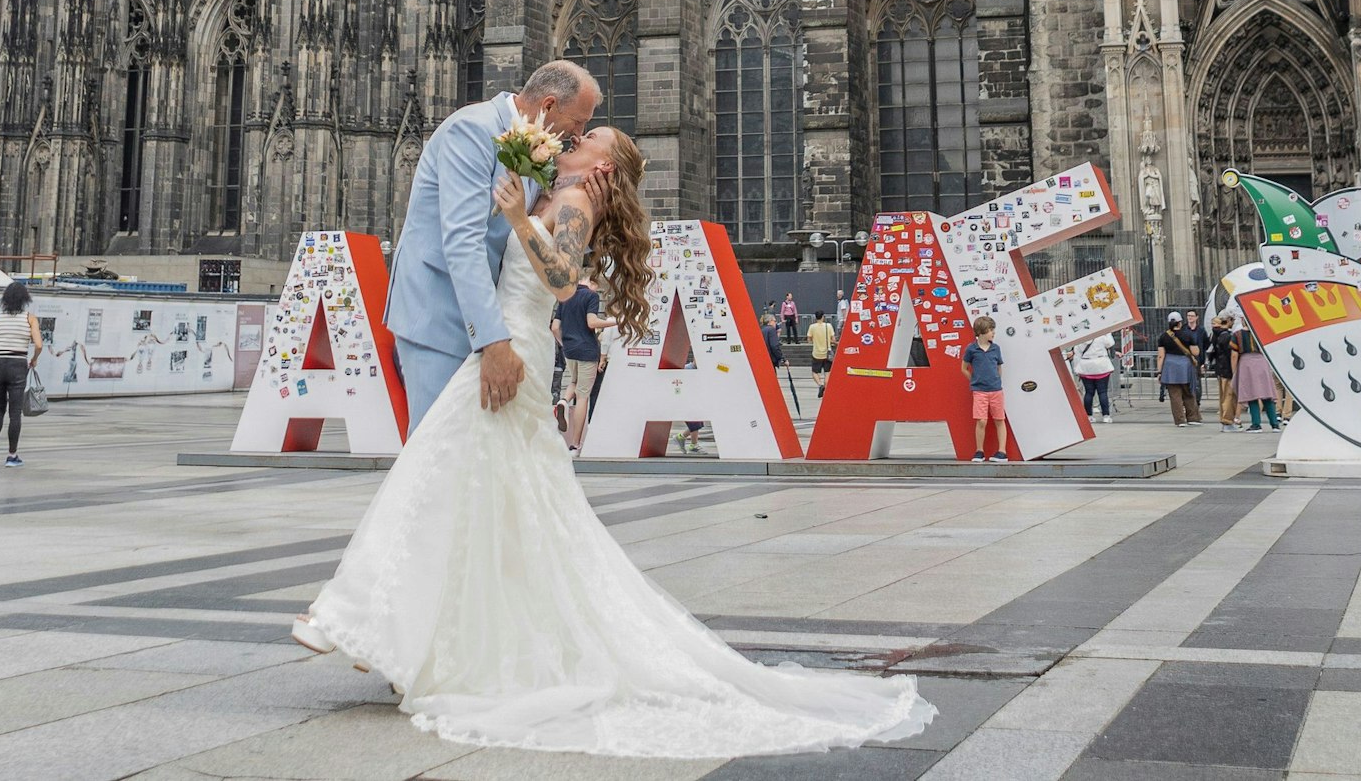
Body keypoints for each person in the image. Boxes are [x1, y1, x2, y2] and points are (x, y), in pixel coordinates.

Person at [291, 126, 931, 757]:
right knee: (487, 494)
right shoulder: (561, 191)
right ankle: (398, 633)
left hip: (509, 347)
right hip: (514, 343)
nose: (577, 137)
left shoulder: (576, 202)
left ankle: (364, 622)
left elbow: (565, 277)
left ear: (607, 164)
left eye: (591, 135)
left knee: (439, 475)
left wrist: (517, 216)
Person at [384, 61, 599, 434]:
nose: (577, 135)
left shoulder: (536, 150)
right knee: (436, 447)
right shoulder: (472, 130)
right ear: (548, 106)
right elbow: (463, 243)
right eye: (578, 123)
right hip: (439, 315)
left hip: (489, 320)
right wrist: (493, 341)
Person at [0, 281, 43, 466]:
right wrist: (34, 359)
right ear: (25, 299)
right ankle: (12, 455)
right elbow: (39, 344)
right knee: (15, 413)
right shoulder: (29, 318)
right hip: (17, 365)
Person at [551, 276, 606, 451]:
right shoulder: (591, 296)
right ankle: (575, 444)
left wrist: (563, 344)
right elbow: (592, 322)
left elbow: (554, 327)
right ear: (592, 282)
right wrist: (616, 321)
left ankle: (563, 402)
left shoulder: (565, 296)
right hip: (587, 350)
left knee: (574, 382)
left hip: (570, 350)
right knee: (583, 396)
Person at [961, 315, 1008, 462]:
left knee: (999, 419)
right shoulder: (971, 349)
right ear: (981, 332)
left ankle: (1002, 451)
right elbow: (964, 368)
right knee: (981, 421)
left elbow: (999, 367)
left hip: (995, 390)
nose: (993, 333)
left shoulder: (996, 348)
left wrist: (996, 381)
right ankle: (979, 451)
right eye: (990, 330)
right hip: (979, 391)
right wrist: (974, 381)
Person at [1232, 322, 1281, 431]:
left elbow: (1234, 354)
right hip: (1262, 362)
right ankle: (1274, 424)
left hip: (1246, 363)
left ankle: (1256, 424)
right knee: (1267, 395)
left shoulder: (1237, 335)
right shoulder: (1261, 332)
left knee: (1251, 395)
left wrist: (1234, 370)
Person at [1158, 311, 1202, 426]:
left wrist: (1159, 372)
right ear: (1180, 323)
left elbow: (1161, 356)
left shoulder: (1163, 336)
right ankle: (1193, 418)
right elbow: (1195, 352)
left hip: (1169, 367)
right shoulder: (1187, 335)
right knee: (1189, 392)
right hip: (1185, 366)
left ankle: (1180, 420)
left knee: (1175, 395)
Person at [1072, 331, 1115, 423]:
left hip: (1086, 366)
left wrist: (1076, 369)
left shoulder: (1081, 338)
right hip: (1101, 365)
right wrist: (1108, 332)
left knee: (1088, 392)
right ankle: (1106, 416)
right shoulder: (1101, 336)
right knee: (1102, 392)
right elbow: (1110, 343)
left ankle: (1089, 415)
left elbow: (1077, 355)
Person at [1209, 312, 1239, 431]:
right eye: (1232, 320)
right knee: (1229, 396)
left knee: (1223, 396)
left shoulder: (1217, 335)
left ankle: (1224, 419)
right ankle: (1227, 421)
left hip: (1220, 368)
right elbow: (1231, 355)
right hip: (1228, 369)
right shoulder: (1228, 336)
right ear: (1229, 321)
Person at [1181, 309, 1211, 407]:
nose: (1190, 317)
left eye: (1192, 316)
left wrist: (1202, 357)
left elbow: (1206, 343)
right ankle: (1187, 401)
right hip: (1185, 358)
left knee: (1197, 381)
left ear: (1197, 317)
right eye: (1188, 315)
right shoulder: (1183, 329)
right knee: (1186, 380)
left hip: (1197, 359)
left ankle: (1196, 401)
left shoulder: (1201, 330)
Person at [808, 310, 836, 400]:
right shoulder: (829, 326)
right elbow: (833, 339)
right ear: (823, 317)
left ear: (815, 317)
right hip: (827, 354)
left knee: (815, 372)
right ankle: (826, 391)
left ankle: (820, 385)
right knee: (827, 372)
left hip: (816, 353)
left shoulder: (812, 327)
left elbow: (809, 339)